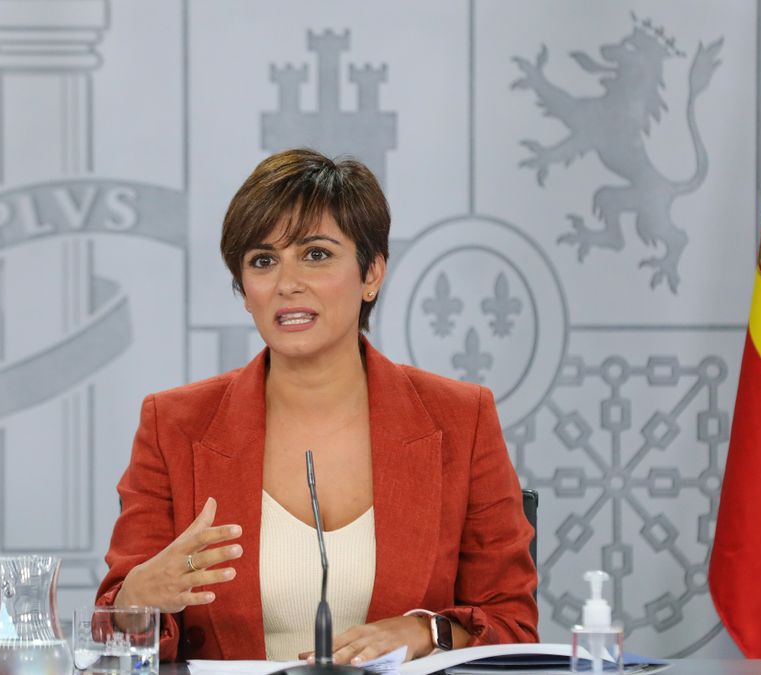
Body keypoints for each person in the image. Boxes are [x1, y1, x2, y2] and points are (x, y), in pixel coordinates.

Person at [96, 148, 539, 664]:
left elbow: (513, 625)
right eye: (263, 261)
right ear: (245, 291)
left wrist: (424, 632)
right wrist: (137, 601)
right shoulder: (173, 424)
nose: (288, 284)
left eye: (316, 254)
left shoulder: (461, 419)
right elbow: (111, 632)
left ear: (371, 274)